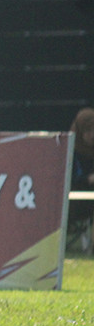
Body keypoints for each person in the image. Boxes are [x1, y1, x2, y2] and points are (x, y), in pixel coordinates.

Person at [68, 107, 94, 252]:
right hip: (75, 202)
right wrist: (88, 179)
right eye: (88, 131)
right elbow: (69, 180)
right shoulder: (71, 152)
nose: (92, 135)